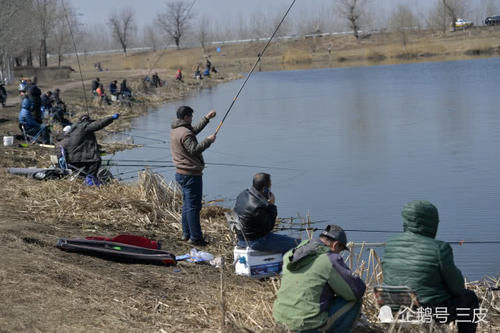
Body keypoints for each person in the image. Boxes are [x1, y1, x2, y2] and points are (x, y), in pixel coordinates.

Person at [382, 200, 479, 333]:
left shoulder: (390, 245)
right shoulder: (439, 248)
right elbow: (457, 288)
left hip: (393, 309)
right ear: (432, 223)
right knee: (470, 298)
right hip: (428, 312)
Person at [273, 225, 366, 333]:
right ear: (335, 245)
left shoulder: (290, 254)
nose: (339, 254)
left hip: (281, 321)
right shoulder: (329, 260)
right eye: (340, 251)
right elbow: (356, 291)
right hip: (306, 327)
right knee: (355, 301)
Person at [170, 105, 216, 246]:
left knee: (187, 205)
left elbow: (192, 131)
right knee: (193, 207)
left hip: (181, 173)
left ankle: (186, 234)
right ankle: (196, 238)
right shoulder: (185, 133)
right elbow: (194, 149)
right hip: (191, 175)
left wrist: (207, 118)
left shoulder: (176, 130)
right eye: (191, 116)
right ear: (186, 117)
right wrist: (208, 141)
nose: (192, 118)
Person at [233, 173, 300, 253]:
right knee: (298, 244)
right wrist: (272, 205)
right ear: (265, 189)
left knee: (285, 239)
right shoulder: (257, 207)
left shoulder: (243, 194)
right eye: (270, 185)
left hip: (241, 240)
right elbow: (269, 227)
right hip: (256, 242)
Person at [64, 113, 119, 184]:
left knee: (82, 175)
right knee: (96, 162)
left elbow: (81, 143)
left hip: (73, 158)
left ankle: (84, 184)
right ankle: (91, 184)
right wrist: (111, 118)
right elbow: (99, 124)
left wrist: (98, 147)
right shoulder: (85, 126)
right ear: (87, 121)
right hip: (83, 158)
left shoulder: (73, 128)